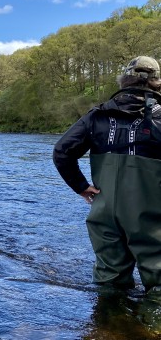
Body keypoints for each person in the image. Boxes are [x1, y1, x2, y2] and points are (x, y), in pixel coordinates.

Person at [53, 56, 161, 291]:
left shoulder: (97, 116)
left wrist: (80, 186)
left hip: (104, 212)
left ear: (124, 80)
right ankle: (145, 328)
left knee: (109, 281)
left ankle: (107, 323)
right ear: (157, 82)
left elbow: (62, 151)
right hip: (151, 216)